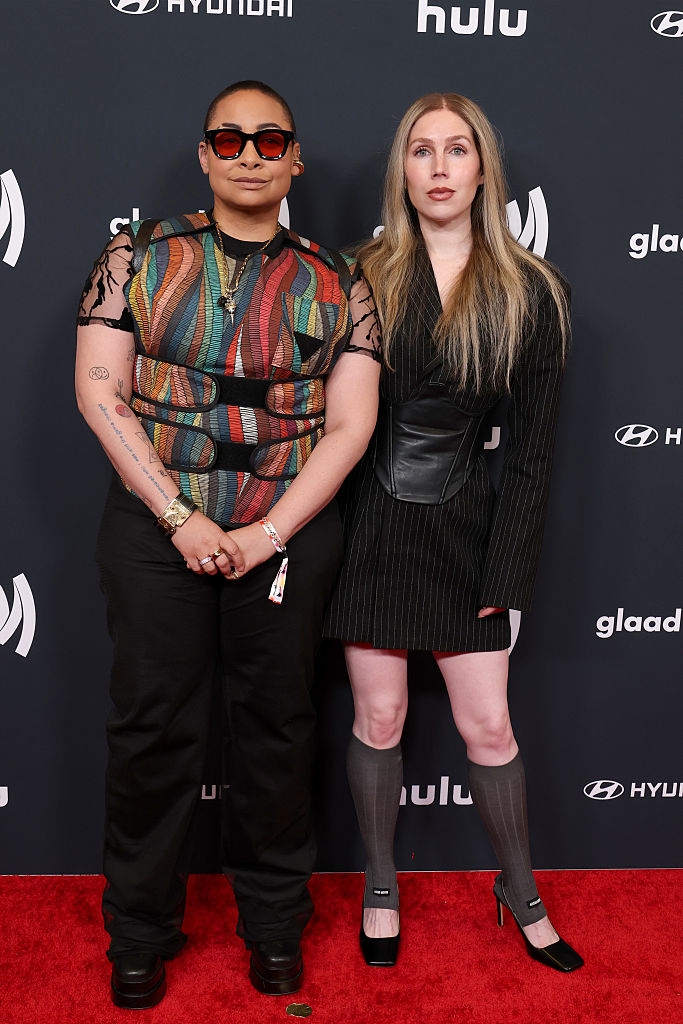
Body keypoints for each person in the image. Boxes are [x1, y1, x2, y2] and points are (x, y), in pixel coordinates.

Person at [75, 80, 380, 1008]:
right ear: (204, 155)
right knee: (152, 733)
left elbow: (350, 426)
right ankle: (139, 933)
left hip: (284, 540)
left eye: (269, 139)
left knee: (277, 735)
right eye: (228, 137)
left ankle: (275, 928)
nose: (249, 153)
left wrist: (266, 534)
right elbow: (101, 392)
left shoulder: (342, 281)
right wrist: (183, 518)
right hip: (154, 526)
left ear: (293, 160)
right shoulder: (136, 257)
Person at [325, 93, 583, 973]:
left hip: (471, 534)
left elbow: (534, 459)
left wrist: (505, 581)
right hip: (367, 532)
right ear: (402, 170)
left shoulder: (532, 293)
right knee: (380, 714)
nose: (438, 168)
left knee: (489, 730)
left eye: (456, 150)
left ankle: (520, 889)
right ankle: (382, 880)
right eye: (421, 151)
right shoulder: (357, 275)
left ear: (482, 169)